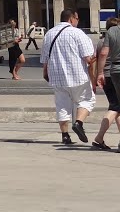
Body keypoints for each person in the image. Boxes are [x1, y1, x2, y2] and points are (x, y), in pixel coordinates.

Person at [41, 8, 96, 145]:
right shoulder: (78, 33)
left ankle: (65, 136)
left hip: (57, 78)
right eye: (77, 19)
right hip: (77, 76)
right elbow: (88, 59)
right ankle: (78, 123)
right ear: (72, 18)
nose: (77, 22)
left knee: (62, 106)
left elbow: (45, 59)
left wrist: (45, 73)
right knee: (87, 100)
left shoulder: (49, 34)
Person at [92, 16, 120, 150]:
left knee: (116, 107)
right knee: (115, 107)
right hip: (115, 72)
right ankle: (99, 138)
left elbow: (101, 55)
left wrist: (99, 73)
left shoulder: (108, 35)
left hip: (111, 74)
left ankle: (99, 138)